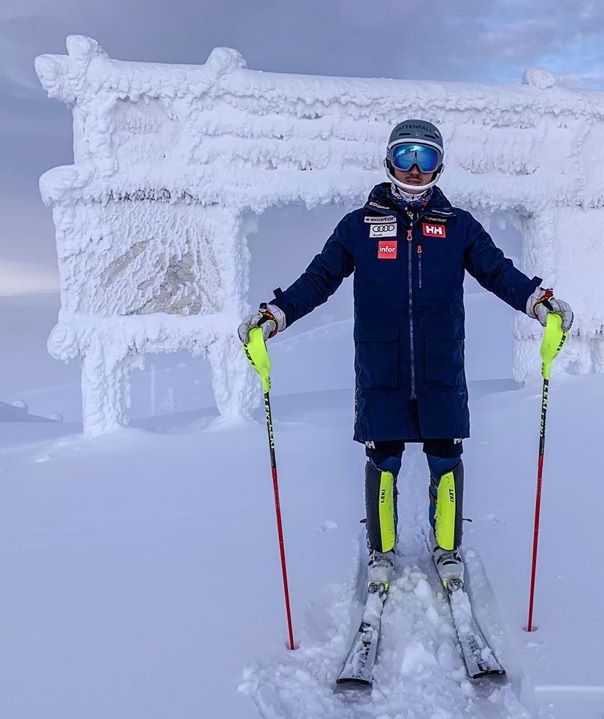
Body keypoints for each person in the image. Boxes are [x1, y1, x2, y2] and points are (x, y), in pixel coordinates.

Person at [239, 119, 572, 590]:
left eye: (426, 157)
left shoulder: (457, 226)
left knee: (445, 455)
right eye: (405, 156)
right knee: (384, 457)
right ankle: (382, 553)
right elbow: (319, 279)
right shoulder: (358, 226)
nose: (415, 169)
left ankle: (447, 549)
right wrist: (277, 314)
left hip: (440, 363)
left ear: (440, 165)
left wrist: (537, 301)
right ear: (388, 160)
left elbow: (498, 272)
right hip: (382, 364)